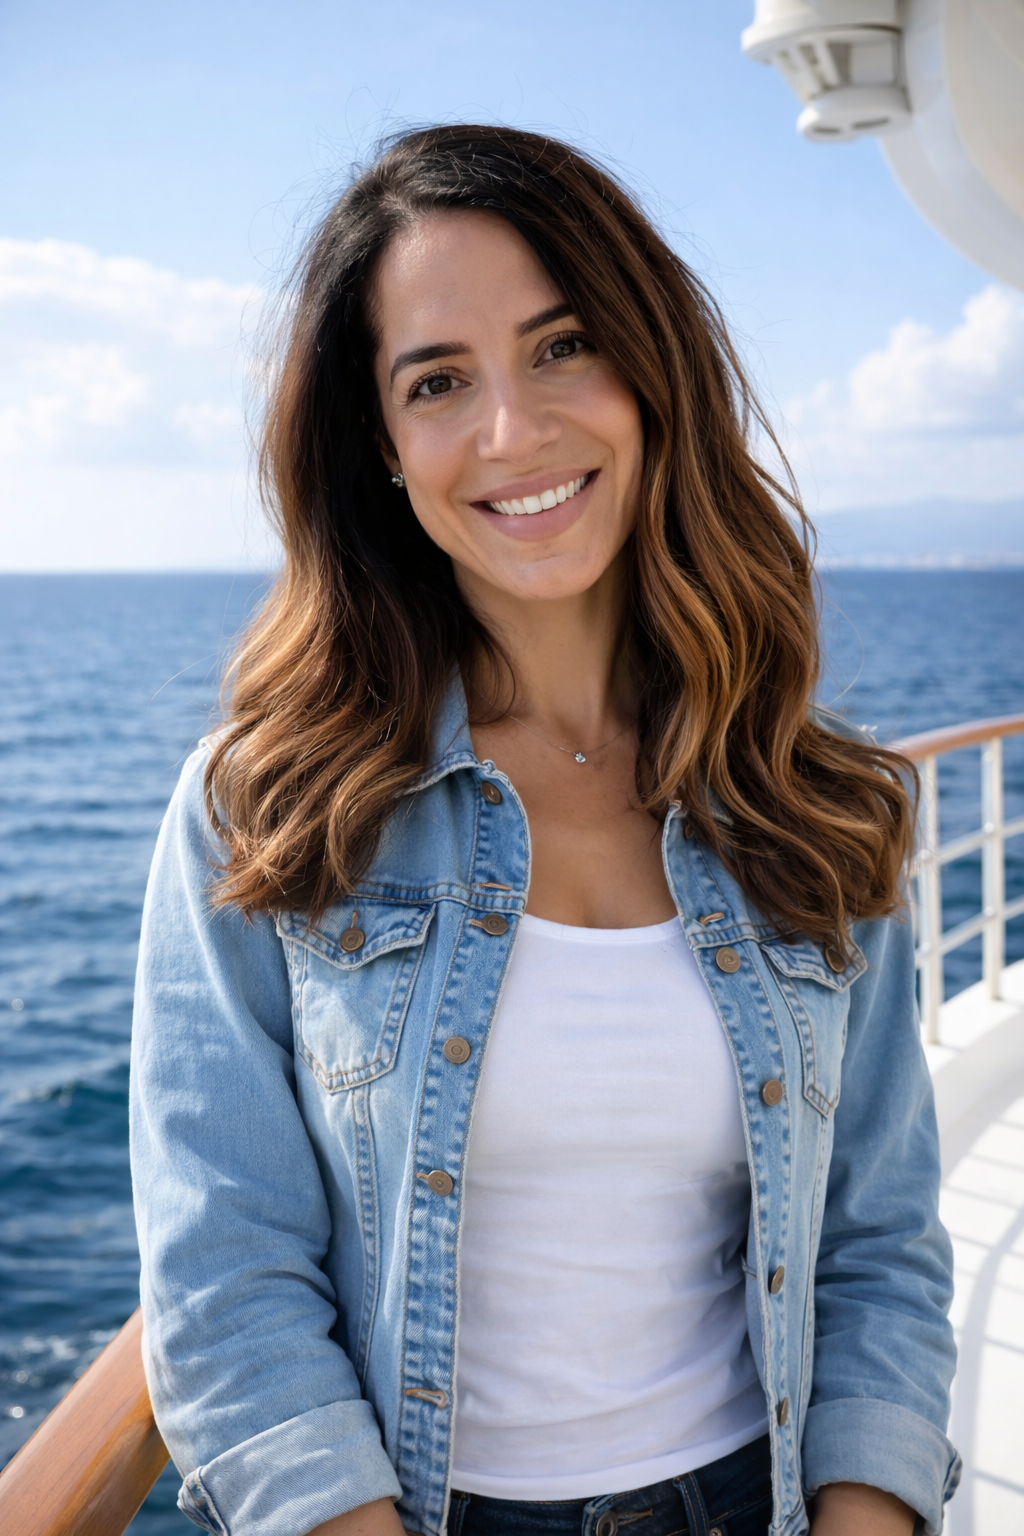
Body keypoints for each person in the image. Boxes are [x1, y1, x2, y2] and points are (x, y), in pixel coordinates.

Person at [130, 126, 960, 1536]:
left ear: (652, 374)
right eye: (438, 381)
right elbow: (224, 1276)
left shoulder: (813, 800)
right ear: (383, 449)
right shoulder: (262, 811)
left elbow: (878, 1242)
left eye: (563, 345)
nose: (512, 432)